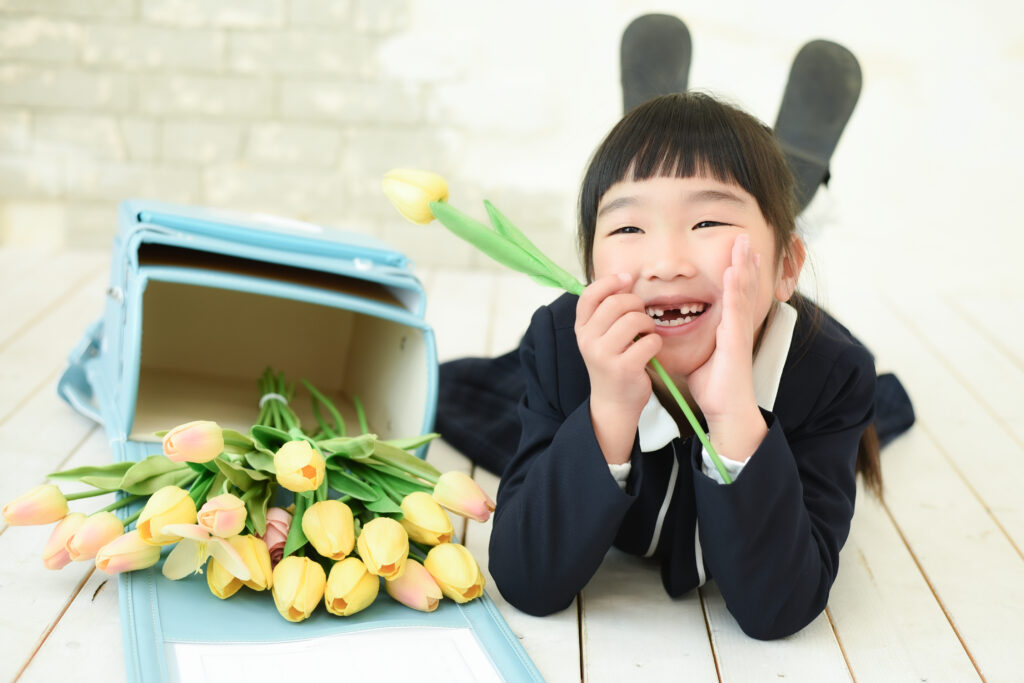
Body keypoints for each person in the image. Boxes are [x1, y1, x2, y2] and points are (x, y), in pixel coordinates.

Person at [484, 92, 880, 640]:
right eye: (628, 229)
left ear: (787, 266)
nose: (666, 263)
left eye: (708, 221)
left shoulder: (831, 377)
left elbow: (779, 607)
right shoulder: (559, 346)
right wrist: (610, 411)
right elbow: (526, 580)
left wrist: (734, 416)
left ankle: (797, 185)